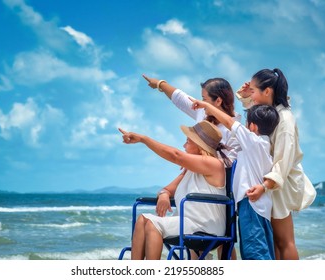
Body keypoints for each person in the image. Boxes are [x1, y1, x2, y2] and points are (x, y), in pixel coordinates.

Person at [236, 68, 317, 260]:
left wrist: (265, 186)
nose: (252, 95)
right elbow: (254, 113)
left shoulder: (285, 119)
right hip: (271, 181)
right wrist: (246, 95)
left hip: (280, 183)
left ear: (267, 91)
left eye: (254, 90)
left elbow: (284, 161)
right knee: (274, 241)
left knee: (284, 240)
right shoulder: (273, 111)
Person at [119, 120, 228, 260]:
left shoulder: (214, 164)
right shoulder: (190, 171)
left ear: (200, 145)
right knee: (141, 220)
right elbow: (168, 189)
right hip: (190, 224)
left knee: (152, 223)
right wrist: (164, 194)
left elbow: (175, 155)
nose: (183, 145)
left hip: (206, 228)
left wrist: (143, 139)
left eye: (188, 141)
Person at [191, 99, 279, 259]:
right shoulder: (265, 146)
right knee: (263, 250)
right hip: (261, 206)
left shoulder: (253, 141)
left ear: (253, 127)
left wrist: (207, 106)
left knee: (255, 253)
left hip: (251, 204)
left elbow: (229, 122)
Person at [142, 74, 240, 166]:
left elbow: (230, 163)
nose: (201, 102)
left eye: (204, 99)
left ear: (218, 101)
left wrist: (194, 161)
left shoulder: (235, 131)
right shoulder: (203, 111)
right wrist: (159, 84)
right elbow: (180, 98)